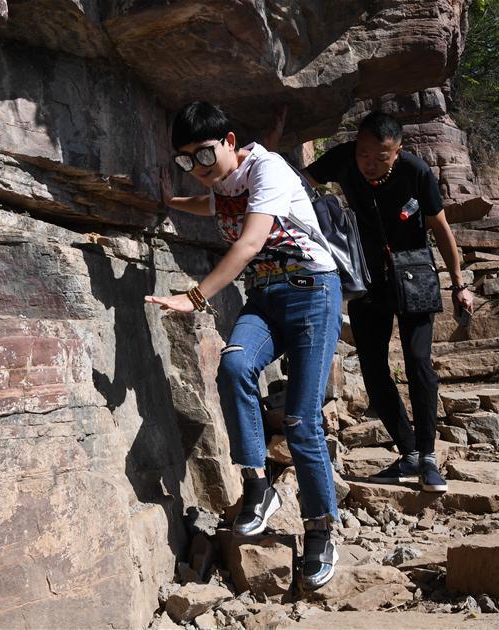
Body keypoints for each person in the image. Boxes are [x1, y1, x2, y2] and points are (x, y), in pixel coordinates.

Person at [145, 101, 342, 590]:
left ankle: (320, 530)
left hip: (311, 291)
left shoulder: (267, 168)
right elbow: (210, 205)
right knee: (234, 368)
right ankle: (258, 486)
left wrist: (195, 296)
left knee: (300, 420)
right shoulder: (225, 183)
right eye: (187, 160)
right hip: (265, 298)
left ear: (229, 142)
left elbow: (250, 242)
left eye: (205, 154)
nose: (199, 169)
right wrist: (170, 200)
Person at [298, 111, 475, 493]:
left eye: (381, 157)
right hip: (366, 276)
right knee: (373, 366)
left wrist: (459, 283)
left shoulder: (416, 171)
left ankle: (428, 457)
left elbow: (440, 228)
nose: (369, 164)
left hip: (416, 272)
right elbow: (300, 183)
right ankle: (408, 451)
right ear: (355, 145)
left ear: (398, 153)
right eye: (364, 154)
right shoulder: (343, 158)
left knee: (417, 360)